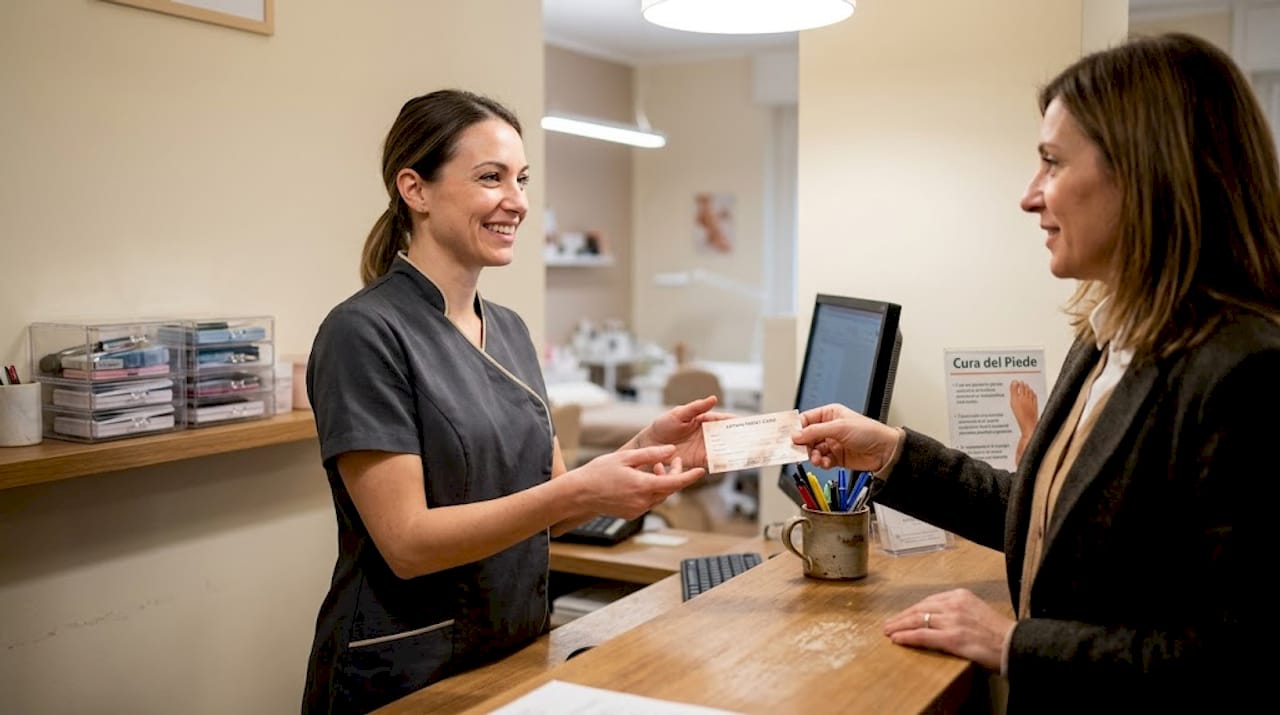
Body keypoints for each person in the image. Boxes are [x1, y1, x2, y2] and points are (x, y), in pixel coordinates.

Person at [793, 33, 1278, 712]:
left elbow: (1238, 659)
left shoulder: (1247, 372)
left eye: (1051, 163)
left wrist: (1013, 643)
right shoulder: (1107, 337)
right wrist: (891, 453)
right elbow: (1051, 525)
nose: (1030, 196)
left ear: (1145, 173)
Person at [301, 89, 721, 714]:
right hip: (404, 671)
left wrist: (645, 447)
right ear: (415, 189)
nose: (518, 202)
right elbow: (408, 542)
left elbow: (548, 506)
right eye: (490, 178)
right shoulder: (363, 334)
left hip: (515, 650)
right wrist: (580, 491)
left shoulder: (511, 330)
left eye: (521, 179)